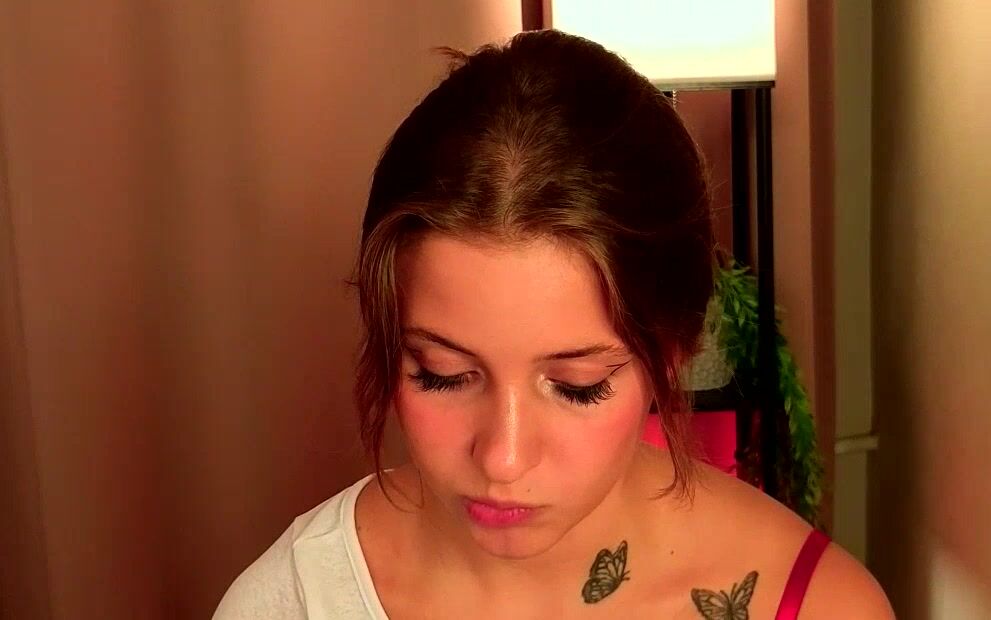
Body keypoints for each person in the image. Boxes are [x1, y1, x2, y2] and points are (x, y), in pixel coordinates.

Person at [213, 29, 893, 619]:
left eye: (577, 386)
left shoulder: (816, 606)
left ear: (676, 351)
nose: (503, 459)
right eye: (442, 375)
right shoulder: (295, 601)